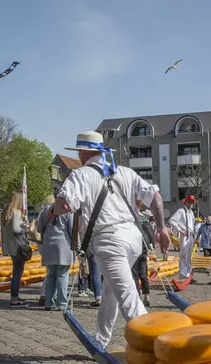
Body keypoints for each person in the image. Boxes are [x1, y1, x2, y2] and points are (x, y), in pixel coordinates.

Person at [49, 131, 170, 347]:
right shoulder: (124, 172)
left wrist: (53, 210)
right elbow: (155, 197)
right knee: (110, 292)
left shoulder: (80, 175)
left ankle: (162, 346)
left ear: (84, 153)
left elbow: (65, 205)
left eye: (79, 153)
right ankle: (101, 340)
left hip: (108, 241)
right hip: (133, 238)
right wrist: (161, 228)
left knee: (128, 298)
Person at [37, 195, 74, 311]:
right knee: (62, 275)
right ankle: (62, 303)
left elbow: (39, 228)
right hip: (63, 244)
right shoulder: (67, 210)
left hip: (48, 244)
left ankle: (48, 302)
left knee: (51, 274)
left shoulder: (45, 210)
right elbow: (72, 229)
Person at [1, 191, 29, 307]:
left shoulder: (5, 213)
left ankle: (15, 296)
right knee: (18, 273)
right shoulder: (16, 213)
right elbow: (16, 229)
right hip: (18, 247)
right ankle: (14, 299)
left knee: (16, 272)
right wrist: (25, 228)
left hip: (10, 246)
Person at [169, 195, 197, 281]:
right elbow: (172, 220)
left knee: (188, 255)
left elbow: (193, 224)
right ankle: (183, 273)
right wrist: (179, 230)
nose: (191, 204)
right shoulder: (181, 211)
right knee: (183, 254)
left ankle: (188, 273)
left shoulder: (191, 212)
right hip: (184, 235)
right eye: (189, 202)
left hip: (190, 235)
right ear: (186, 202)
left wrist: (194, 235)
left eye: (192, 203)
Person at [132, 208, 153, 307]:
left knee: (141, 275)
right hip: (134, 249)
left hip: (141, 249)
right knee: (137, 275)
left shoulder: (141, 218)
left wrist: (150, 243)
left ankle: (146, 296)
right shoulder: (131, 216)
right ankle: (139, 296)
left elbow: (148, 229)